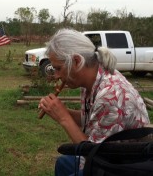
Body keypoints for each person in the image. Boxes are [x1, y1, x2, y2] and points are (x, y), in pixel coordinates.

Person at [38, 28, 150, 176]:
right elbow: (94, 118)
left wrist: (64, 118)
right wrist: (62, 111)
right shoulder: (94, 77)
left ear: (77, 61)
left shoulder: (111, 95)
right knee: (63, 162)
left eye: (58, 68)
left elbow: (93, 153)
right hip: (108, 155)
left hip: (123, 166)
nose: (56, 75)